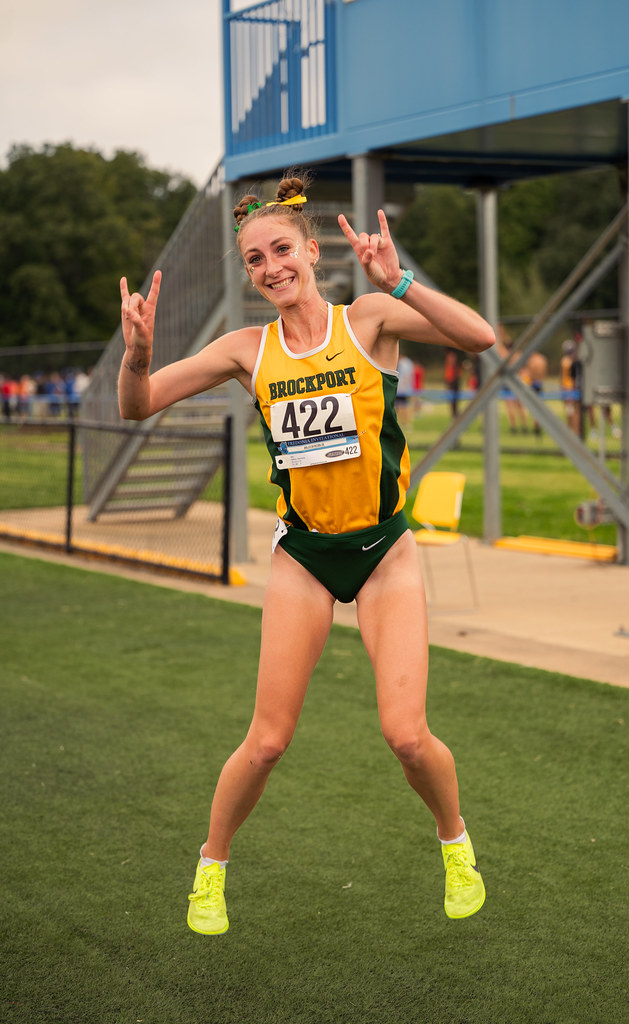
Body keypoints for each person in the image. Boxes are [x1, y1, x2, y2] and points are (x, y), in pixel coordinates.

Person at [118, 173, 496, 936]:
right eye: (255, 259)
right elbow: (139, 404)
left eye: (281, 249)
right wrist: (139, 354)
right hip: (306, 558)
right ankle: (211, 867)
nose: (270, 267)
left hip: (385, 552)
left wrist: (404, 280)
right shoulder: (243, 349)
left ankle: (455, 844)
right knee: (265, 743)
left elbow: (480, 337)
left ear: (312, 251)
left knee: (405, 735)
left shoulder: (371, 320)